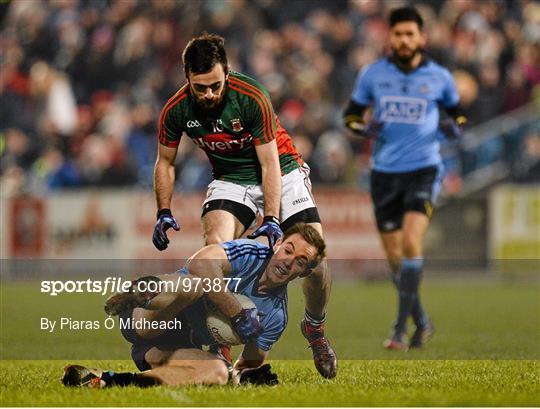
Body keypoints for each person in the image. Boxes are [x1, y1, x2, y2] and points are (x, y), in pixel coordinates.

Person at [152, 33, 336, 377]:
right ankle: (219, 334)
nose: (209, 94)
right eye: (200, 87)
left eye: (215, 86)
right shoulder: (175, 110)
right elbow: (165, 161)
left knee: (316, 260)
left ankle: (314, 326)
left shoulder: (251, 97)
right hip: (231, 178)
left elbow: (268, 164)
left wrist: (271, 217)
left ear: (228, 72)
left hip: (281, 170)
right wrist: (163, 210)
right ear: (187, 79)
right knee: (215, 249)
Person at [63, 223, 326, 388]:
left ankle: (107, 381)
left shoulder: (276, 316)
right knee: (194, 284)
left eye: (301, 261)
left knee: (217, 373)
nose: (289, 261)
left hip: (165, 347)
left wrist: (245, 374)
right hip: (148, 318)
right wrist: (236, 313)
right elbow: (199, 264)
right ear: (277, 244)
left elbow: (250, 362)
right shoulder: (249, 253)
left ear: (304, 272)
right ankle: (139, 293)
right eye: (288, 250)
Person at [343, 7, 466, 350]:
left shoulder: (440, 77)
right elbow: (350, 116)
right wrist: (363, 127)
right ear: (390, 37)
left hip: (424, 169)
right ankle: (422, 322)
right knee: (395, 258)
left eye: (410, 34)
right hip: (384, 174)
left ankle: (400, 328)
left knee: (412, 243)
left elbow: (460, 116)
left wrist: (453, 127)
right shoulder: (372, 75)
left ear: (422, 38)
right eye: (398, 34)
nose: (404, 40)